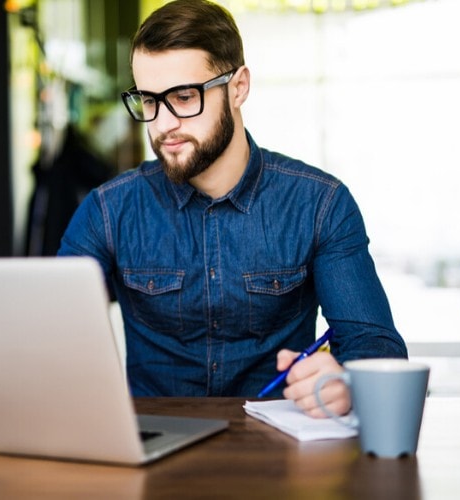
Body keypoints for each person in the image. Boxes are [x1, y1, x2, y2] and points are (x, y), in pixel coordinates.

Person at [58, 0, 407, 417]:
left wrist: (347, 381)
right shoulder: (108, 212)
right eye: (148, 101)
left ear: (238, 87)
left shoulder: (319, 204)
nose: (163, 124)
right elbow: (48, 336)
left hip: (278, 453)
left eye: (184, 97)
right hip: (152, 457)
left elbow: (378, 349)